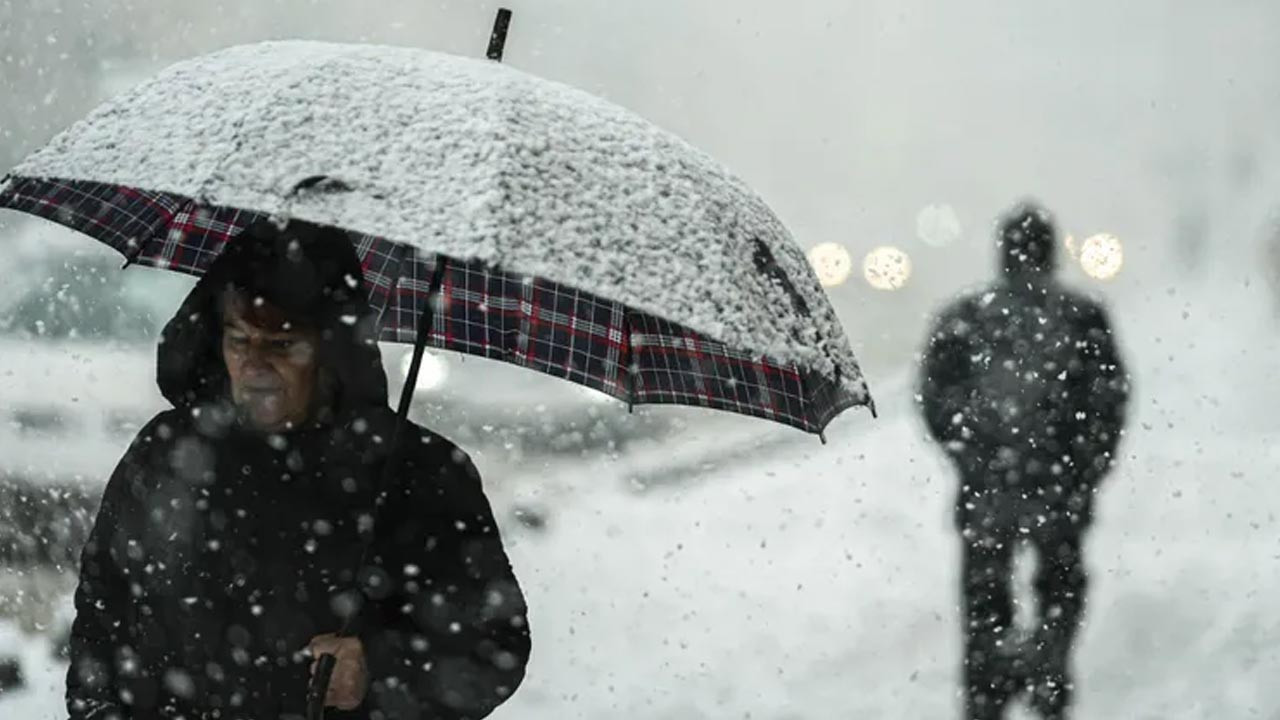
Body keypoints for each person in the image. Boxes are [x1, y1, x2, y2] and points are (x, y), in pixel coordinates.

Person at [66, 219, 530, 720]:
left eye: (282, 345)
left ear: (332, 350)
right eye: (238, 340)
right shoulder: (166, 451)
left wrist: (377, 668)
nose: (254, 366)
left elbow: (491, 648)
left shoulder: (416, 472)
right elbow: (104, 608)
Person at [918, 202, 1129, 720]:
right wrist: (1085, 469)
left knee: (985, 593)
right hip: (1058, 488)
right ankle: (1049, 671)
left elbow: (936, 397)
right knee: (1060, 584)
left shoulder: (965, 316)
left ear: (1003, 253)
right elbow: (1108, 401)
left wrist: (970, 457)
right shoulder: (1081, 315)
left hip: (988, 488)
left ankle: (987, 688)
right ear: (1051, 252)